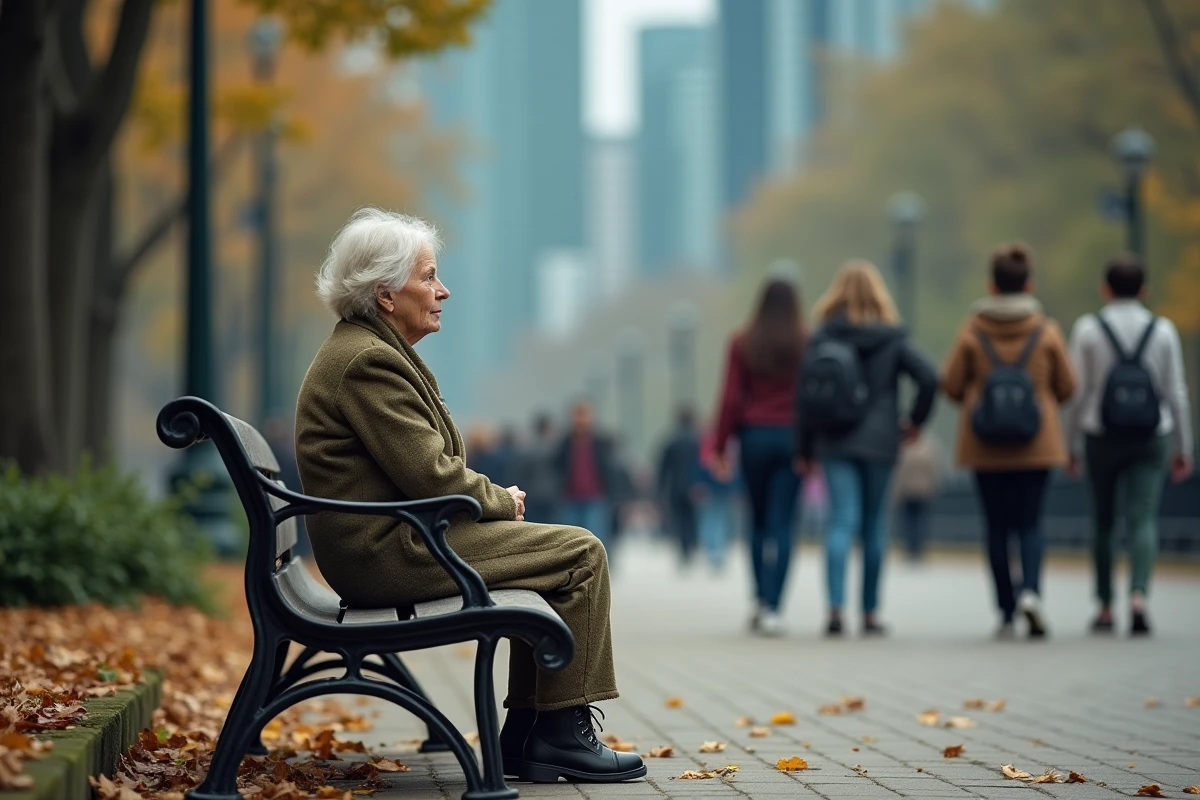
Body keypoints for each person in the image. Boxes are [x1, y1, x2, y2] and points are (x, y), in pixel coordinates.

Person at [294, 208, 644, 783]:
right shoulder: (366, 362)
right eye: (429, 277)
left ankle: (529, 733)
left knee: (559, 557)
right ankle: (560, 734)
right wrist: (502, 500)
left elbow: (427, 469)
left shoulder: (369, 351)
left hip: (394, 539)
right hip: (387, 554)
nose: (443, 291)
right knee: (581, 555)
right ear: (385, 294)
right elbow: (432, 474)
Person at [941, 243, 1075, 640]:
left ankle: (1004, 610)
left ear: (992, 285)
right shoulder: (1046, 331)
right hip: (1037, 445)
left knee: (996, 527)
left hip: (985, 446)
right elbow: (1067, 386)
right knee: (1031, 524)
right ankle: (1031, 592)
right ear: (1028, 284)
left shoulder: (972, 331)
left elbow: (950, 385)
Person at [797, 260, 937, 637]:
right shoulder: (893, 338)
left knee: (841, 521)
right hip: (880, 441)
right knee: (875, 525)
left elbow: (805, 399)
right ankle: (871, 613)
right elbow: (929, 377)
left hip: (835, 440)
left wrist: (806, 450)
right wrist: (914, 423)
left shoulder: (823, 337)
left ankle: (835, 610)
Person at [1063, 253, 1193, 636]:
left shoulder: (1088, 330)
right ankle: (1139, 596)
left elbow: (1076, 393)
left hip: (1101, 434)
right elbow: (1176, 392)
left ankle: (1104, 605)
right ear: (1144, 290)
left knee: (1103, 520)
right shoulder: (1163, 330)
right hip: (1152, 435)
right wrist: (1184, 448)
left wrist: (1069, 445)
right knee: (1143, 518)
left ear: (1105, 289)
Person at [714, 278, 807, 636]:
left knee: (757, 521)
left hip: (753, 437)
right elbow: (809, 397)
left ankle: (759, 598)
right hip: (792, 438)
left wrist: (721, 446)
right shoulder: (805, 342)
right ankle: (775, 606)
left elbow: (731, 397)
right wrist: (810, 448)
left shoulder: (743, 341)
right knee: (784, 522)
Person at [554, 401, 619, 551]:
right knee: (572, 538)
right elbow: (557, 467)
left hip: (596, 496)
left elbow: (609, 468)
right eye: (578, 415)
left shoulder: (601, 442)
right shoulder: (564, 443)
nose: (581, 419)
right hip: (570, 496)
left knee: (596, 536)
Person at [657, 408, 702, 566]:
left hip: (676, 486)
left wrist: (660, 488)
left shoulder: (672, 441)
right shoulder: (698, 441)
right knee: (693, 518)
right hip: (695, 486)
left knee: (680, 519)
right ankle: (691, 545)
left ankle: (684, 548)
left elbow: (663, 467)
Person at [891, 430, 944, 562]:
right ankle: (915, 549)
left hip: (914, 490)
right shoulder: (929, 445)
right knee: (916, 521)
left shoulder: (906, 446)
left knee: (913, 521)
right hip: (919, 490)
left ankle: (914, 549)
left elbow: (899, 471)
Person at [694, 429, 737, 572]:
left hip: (711, 488)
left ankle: (712, 550)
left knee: (710, 519)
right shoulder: (727, 447)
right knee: (718, 519)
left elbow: (701, 467)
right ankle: (716, 550)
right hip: (720, 489)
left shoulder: (707, 446)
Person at [515, 412, 562, 524]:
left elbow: (521, 473)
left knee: (535, 525)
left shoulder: (527, 449)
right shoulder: (555, 449)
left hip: (532, 494)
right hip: (551, 494)